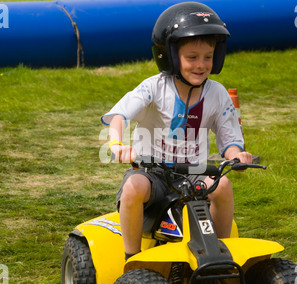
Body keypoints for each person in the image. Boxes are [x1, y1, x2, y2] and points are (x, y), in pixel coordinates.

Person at [101, 2, 252, 261]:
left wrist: (237, 154)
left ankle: (223, 255)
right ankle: (132, 258)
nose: (201, 64)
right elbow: (119, 116)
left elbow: (229, 140)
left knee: (223, 185)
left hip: (194, 175)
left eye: (208, 57)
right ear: (169, 56)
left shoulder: (217, 94)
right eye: (191, 57)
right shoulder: (154, 88)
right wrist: (116, 145)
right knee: (133, 187)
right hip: (153, 174)